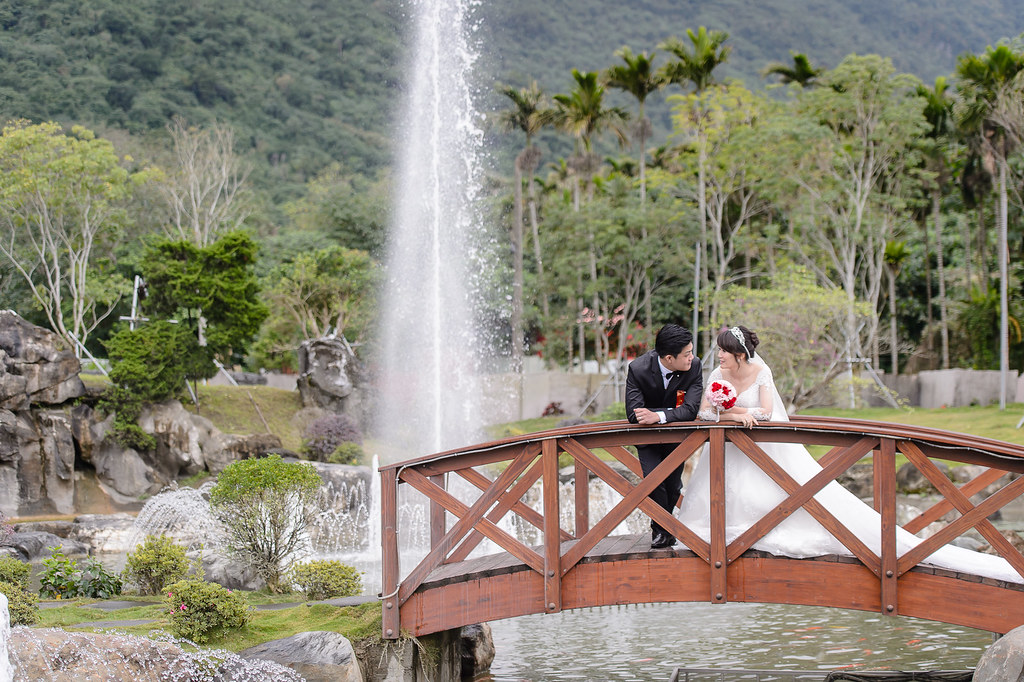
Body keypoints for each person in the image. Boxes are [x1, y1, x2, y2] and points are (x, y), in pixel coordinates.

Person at [677, 324, 1023, 583]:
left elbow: (767, 413)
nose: (718, 355)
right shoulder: (718, 374)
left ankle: (760, 533)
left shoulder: (761, 371)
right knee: (730, 493)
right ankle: (732, 534)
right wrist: (736, 414)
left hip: (762, 448)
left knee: (782, 494)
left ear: (739, 353)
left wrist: (742, 413)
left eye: (723, 350)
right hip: (729, 450)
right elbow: (706, 414)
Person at [625, 323, 703, 549]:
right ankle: (660, 530)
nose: (691, 357)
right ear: (669, 358)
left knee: (673, 485)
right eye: (686, 354)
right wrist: (653, 417)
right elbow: (633, 413)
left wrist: (657, 416)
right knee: (654, 481)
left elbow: (690, 410)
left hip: (676, 437)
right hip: (647, 440)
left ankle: (665, 531)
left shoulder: (694, 366)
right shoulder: (638, 368)